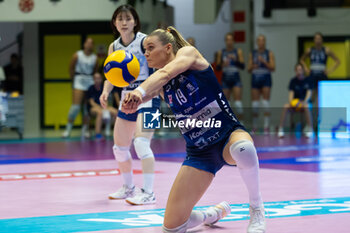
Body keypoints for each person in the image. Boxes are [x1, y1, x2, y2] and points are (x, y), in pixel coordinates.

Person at [122, 26, 265, 233]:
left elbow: (165, 73)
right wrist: (132, 100)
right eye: (144, 50)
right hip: (200, 153)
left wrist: (139, 90)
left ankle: (257, 208)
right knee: (172, 228)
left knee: (244, 149)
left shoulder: (188, 54)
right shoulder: (161, 84)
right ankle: (210, 215)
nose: (146, 54)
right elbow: (149, 92)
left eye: (150, 48)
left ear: (168, 47)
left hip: (226, 135)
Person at [99, 4, 160, 205]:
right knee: (119, 148)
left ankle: (149, 192)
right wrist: (106, 91)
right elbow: (111, 75)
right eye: (120, 19)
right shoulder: (114, 47)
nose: (124, 23)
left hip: (150, 97)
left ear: (135, 21)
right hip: (128, 100)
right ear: (114, 23)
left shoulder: (145, 42)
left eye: (128, 18)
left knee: (141, 143)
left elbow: (160, 67)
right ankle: (128, 188)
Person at [62, 38, 98, 138]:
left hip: (89, 80)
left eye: (92, 43)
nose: (89, 45)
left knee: (86, 108)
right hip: (78, 79)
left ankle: (85, 130)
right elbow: (71, 68)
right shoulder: (77, 55)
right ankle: (68, 129)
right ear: (84, 44)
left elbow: (95, 71)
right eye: (88, 42)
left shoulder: (94, 58)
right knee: (76, 107)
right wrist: (73, 80)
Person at [299, 32, 340, 104]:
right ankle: (310, 113)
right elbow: (301, 60)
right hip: (313, 74)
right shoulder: (310, 50)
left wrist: (330, 70)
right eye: (316, 39)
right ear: (314, 40)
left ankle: (320, 114)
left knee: (321, 96)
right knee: (311, 95)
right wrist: (305, 68)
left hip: (322, 74)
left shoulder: (326, 50)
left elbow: (337, 61)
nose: (318, 40)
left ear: (322, 40)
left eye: (319, 39)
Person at [248, 35, 275, 134]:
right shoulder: (253, 53)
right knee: (255, 104)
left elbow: (273, 67)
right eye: (259, 41)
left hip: (266, 78)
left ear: (265, 42)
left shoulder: (269, 53)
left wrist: (264, 61)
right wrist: (253, 65)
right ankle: (255, 126)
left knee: (265, 102)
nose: (261, 42)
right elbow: (248, 68)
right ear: (256, 42)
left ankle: (266, 126)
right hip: (255, 78)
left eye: (262, 40)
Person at [278, 64, 313, 138]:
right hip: (295, 103)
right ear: (295, 71)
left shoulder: (308, 80)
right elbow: (291, 95)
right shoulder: (293, 81)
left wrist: (304, 102)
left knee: (307, 106)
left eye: (300, 70)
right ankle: (280, 129)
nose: (299, 72)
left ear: (303, 71)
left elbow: (309, 94)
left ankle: (310, 129)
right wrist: (292, 103)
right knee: (285, 106)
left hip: (304, 103)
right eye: (297, 70)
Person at [216, 32, 245, 122]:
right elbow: (217, 67)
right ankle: (229, 123)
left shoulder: (238, 51)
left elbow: (242, 66)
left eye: (231, 40)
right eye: (227, 40)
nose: (229, 42)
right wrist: (222, 64)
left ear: (233, 41)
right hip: (226, 77)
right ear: (225, 41)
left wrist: (235, 59)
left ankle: (242, 123)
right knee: (226, 103)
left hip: (235, 77)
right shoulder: (221, 52)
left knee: (238, 103)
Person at [87, 73, 118, 140]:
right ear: (93, 79)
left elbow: (106, 99)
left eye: (99, 78)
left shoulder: (104, 87)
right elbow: (91, 102)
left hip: (103, 105)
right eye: (96, 78)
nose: (97, 80)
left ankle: (117, 134)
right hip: (94, 107)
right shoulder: (91, 88)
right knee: (100, 113)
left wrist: (105, 106)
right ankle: (98, 133)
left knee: (116, 112)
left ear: (101, 79)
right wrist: (100, 107)